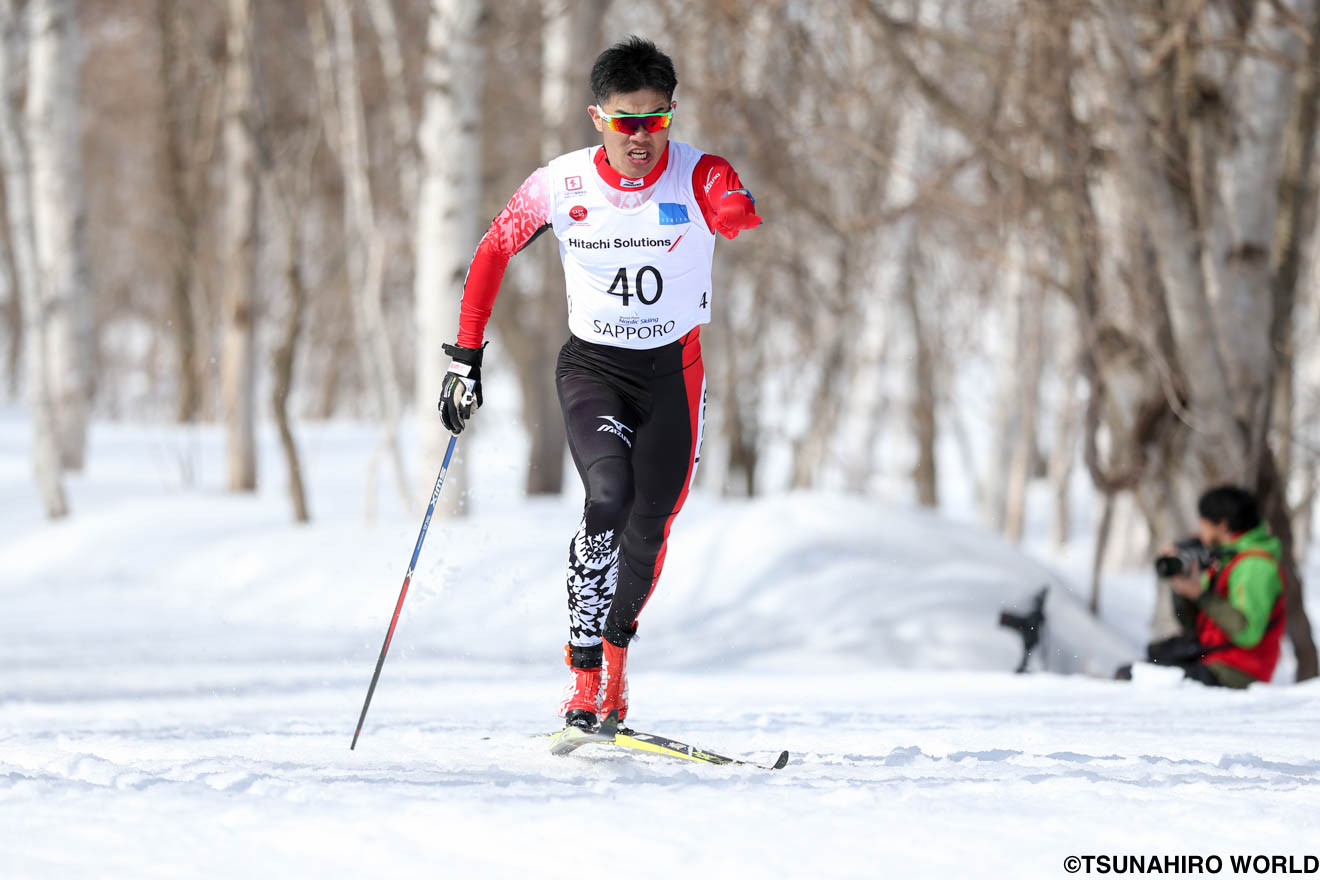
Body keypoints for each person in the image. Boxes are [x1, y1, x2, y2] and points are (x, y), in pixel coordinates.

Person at [435, 36, 761, 730]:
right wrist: (466, 357)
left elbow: (728, 199)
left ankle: (615, 661)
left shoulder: (699, 175)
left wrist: (733, 210)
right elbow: (494, 249)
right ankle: (582, 676)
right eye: (626, 120)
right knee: (607, 498)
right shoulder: (561, 183)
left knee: (649, 529)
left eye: (656, 119)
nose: (641, 137)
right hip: (595, 369)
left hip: (674, 373)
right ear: (597, 118)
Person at [1118, 486, 1286, 687]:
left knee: (1132, 678)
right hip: (1211, 660)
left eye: (1204, 520)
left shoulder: (1256, 567)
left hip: (1238, 672)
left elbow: (1247, 633)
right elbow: (1189, 624)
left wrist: (1202, 595)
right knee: (1134, 671)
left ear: (1222, 525)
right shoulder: (1224, 560)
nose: (1200, 528)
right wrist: (1181, 588)